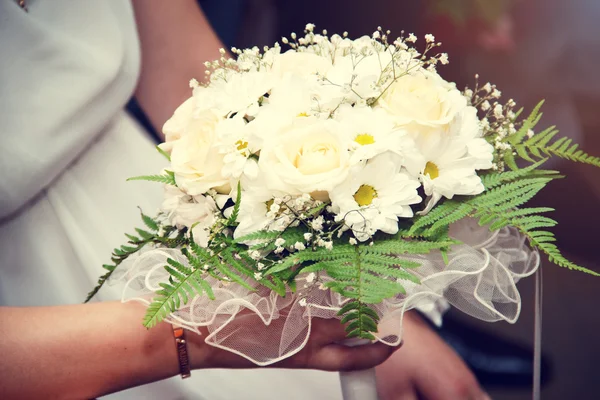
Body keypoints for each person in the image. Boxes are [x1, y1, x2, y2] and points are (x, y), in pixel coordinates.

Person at [0, 1, 487, 399]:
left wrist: (362, 302)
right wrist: (195, 333)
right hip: (52, 324)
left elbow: (194, 75)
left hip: (178, 214)